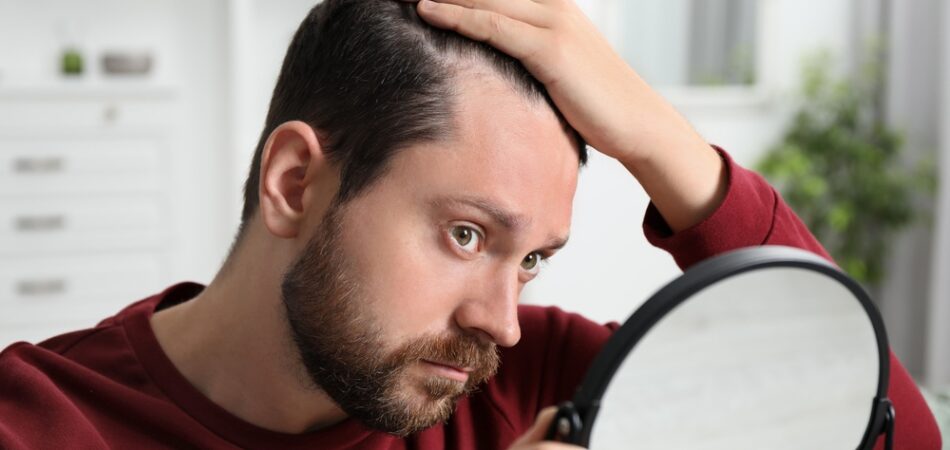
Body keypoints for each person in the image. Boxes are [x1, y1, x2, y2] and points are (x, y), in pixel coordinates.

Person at [0, 0, 940, 448]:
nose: (502, 320)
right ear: (294, 182)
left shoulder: (527, 387)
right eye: (466, 235)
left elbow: (897, 431)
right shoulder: (38, 422)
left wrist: (666, 145)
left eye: (532, 260)